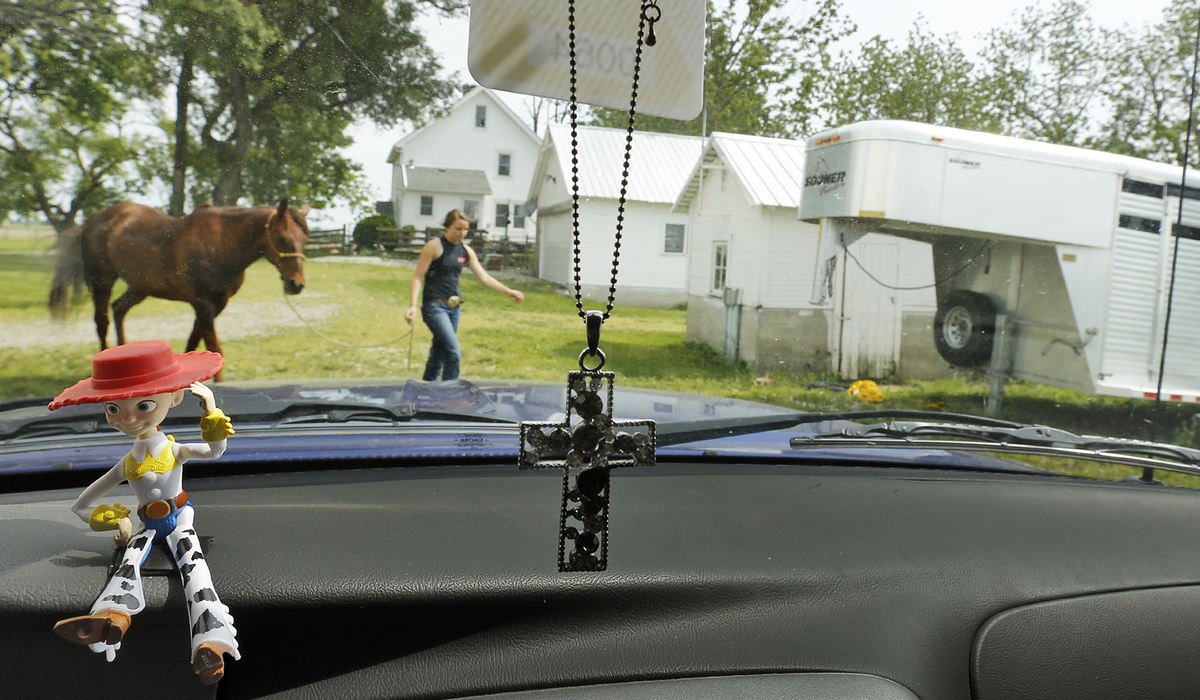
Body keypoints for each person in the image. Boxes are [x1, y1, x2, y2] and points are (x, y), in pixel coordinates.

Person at [49, 340, 240, 684]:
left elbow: (214, 453)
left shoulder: (174, 450)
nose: (129, 418)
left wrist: (211, 412)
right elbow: (81, 503)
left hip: (180, 516)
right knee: (128, 563)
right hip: (145, 522)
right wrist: (103, 517)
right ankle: (111, 619)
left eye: (144, 405)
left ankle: (211, 640)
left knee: (194, 568)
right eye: (113, 409)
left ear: (174, 398)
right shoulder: (128, 463)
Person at [405, 209, 524, 380]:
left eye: (465, 229)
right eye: (457, 229)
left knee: (439, 351)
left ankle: (426, 391)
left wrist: (509, 291)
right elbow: (418, 277)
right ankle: (451, 395)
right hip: (435, 307)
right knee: (454, 353)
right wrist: (412, 305)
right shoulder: (434, 247)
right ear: (447, 227)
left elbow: (484, 277)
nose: (462, 233)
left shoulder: (466, 251)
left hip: (454, 308)